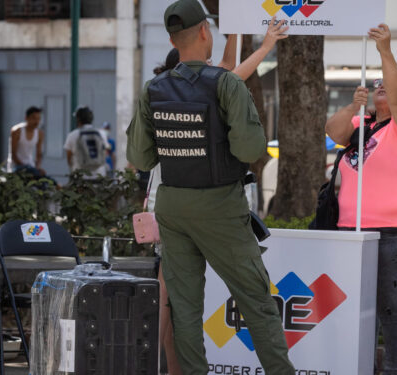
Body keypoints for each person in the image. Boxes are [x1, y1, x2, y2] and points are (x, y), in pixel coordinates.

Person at [126, 1, 295, 374]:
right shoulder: (227, 83)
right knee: (256, 302)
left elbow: (139, 157)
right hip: (219, 206)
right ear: (205, 31)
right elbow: (250, 150)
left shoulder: (153, 89)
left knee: (184, 309)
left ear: (172, 38)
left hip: (172, 207)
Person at [325, 24, 397, 375]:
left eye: (391, 84)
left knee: (392, 310)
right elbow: (334, 132)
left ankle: (395, 371)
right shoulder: (364, 123)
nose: (381, 86)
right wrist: (353, 105)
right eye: (378, 83)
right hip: (352, 232)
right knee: (354, 307)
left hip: (395, 232)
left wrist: (386, 51)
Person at [63, 106, 109, 177]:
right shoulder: (101, 134)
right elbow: (105, 153)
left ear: (78, 119)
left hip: (81, 176)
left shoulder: (72, 135)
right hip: (99, 176)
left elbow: (69, 158)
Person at [7, 106, 46, 177]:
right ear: (26, 118)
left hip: (31, 166)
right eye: (34, 118)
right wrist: (24, 166)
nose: (37, 121)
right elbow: (13, 153)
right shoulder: (17, 131)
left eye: (38, 119)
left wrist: (37, 167)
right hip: (16, 166)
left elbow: (39, 154)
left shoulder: (39, 133)